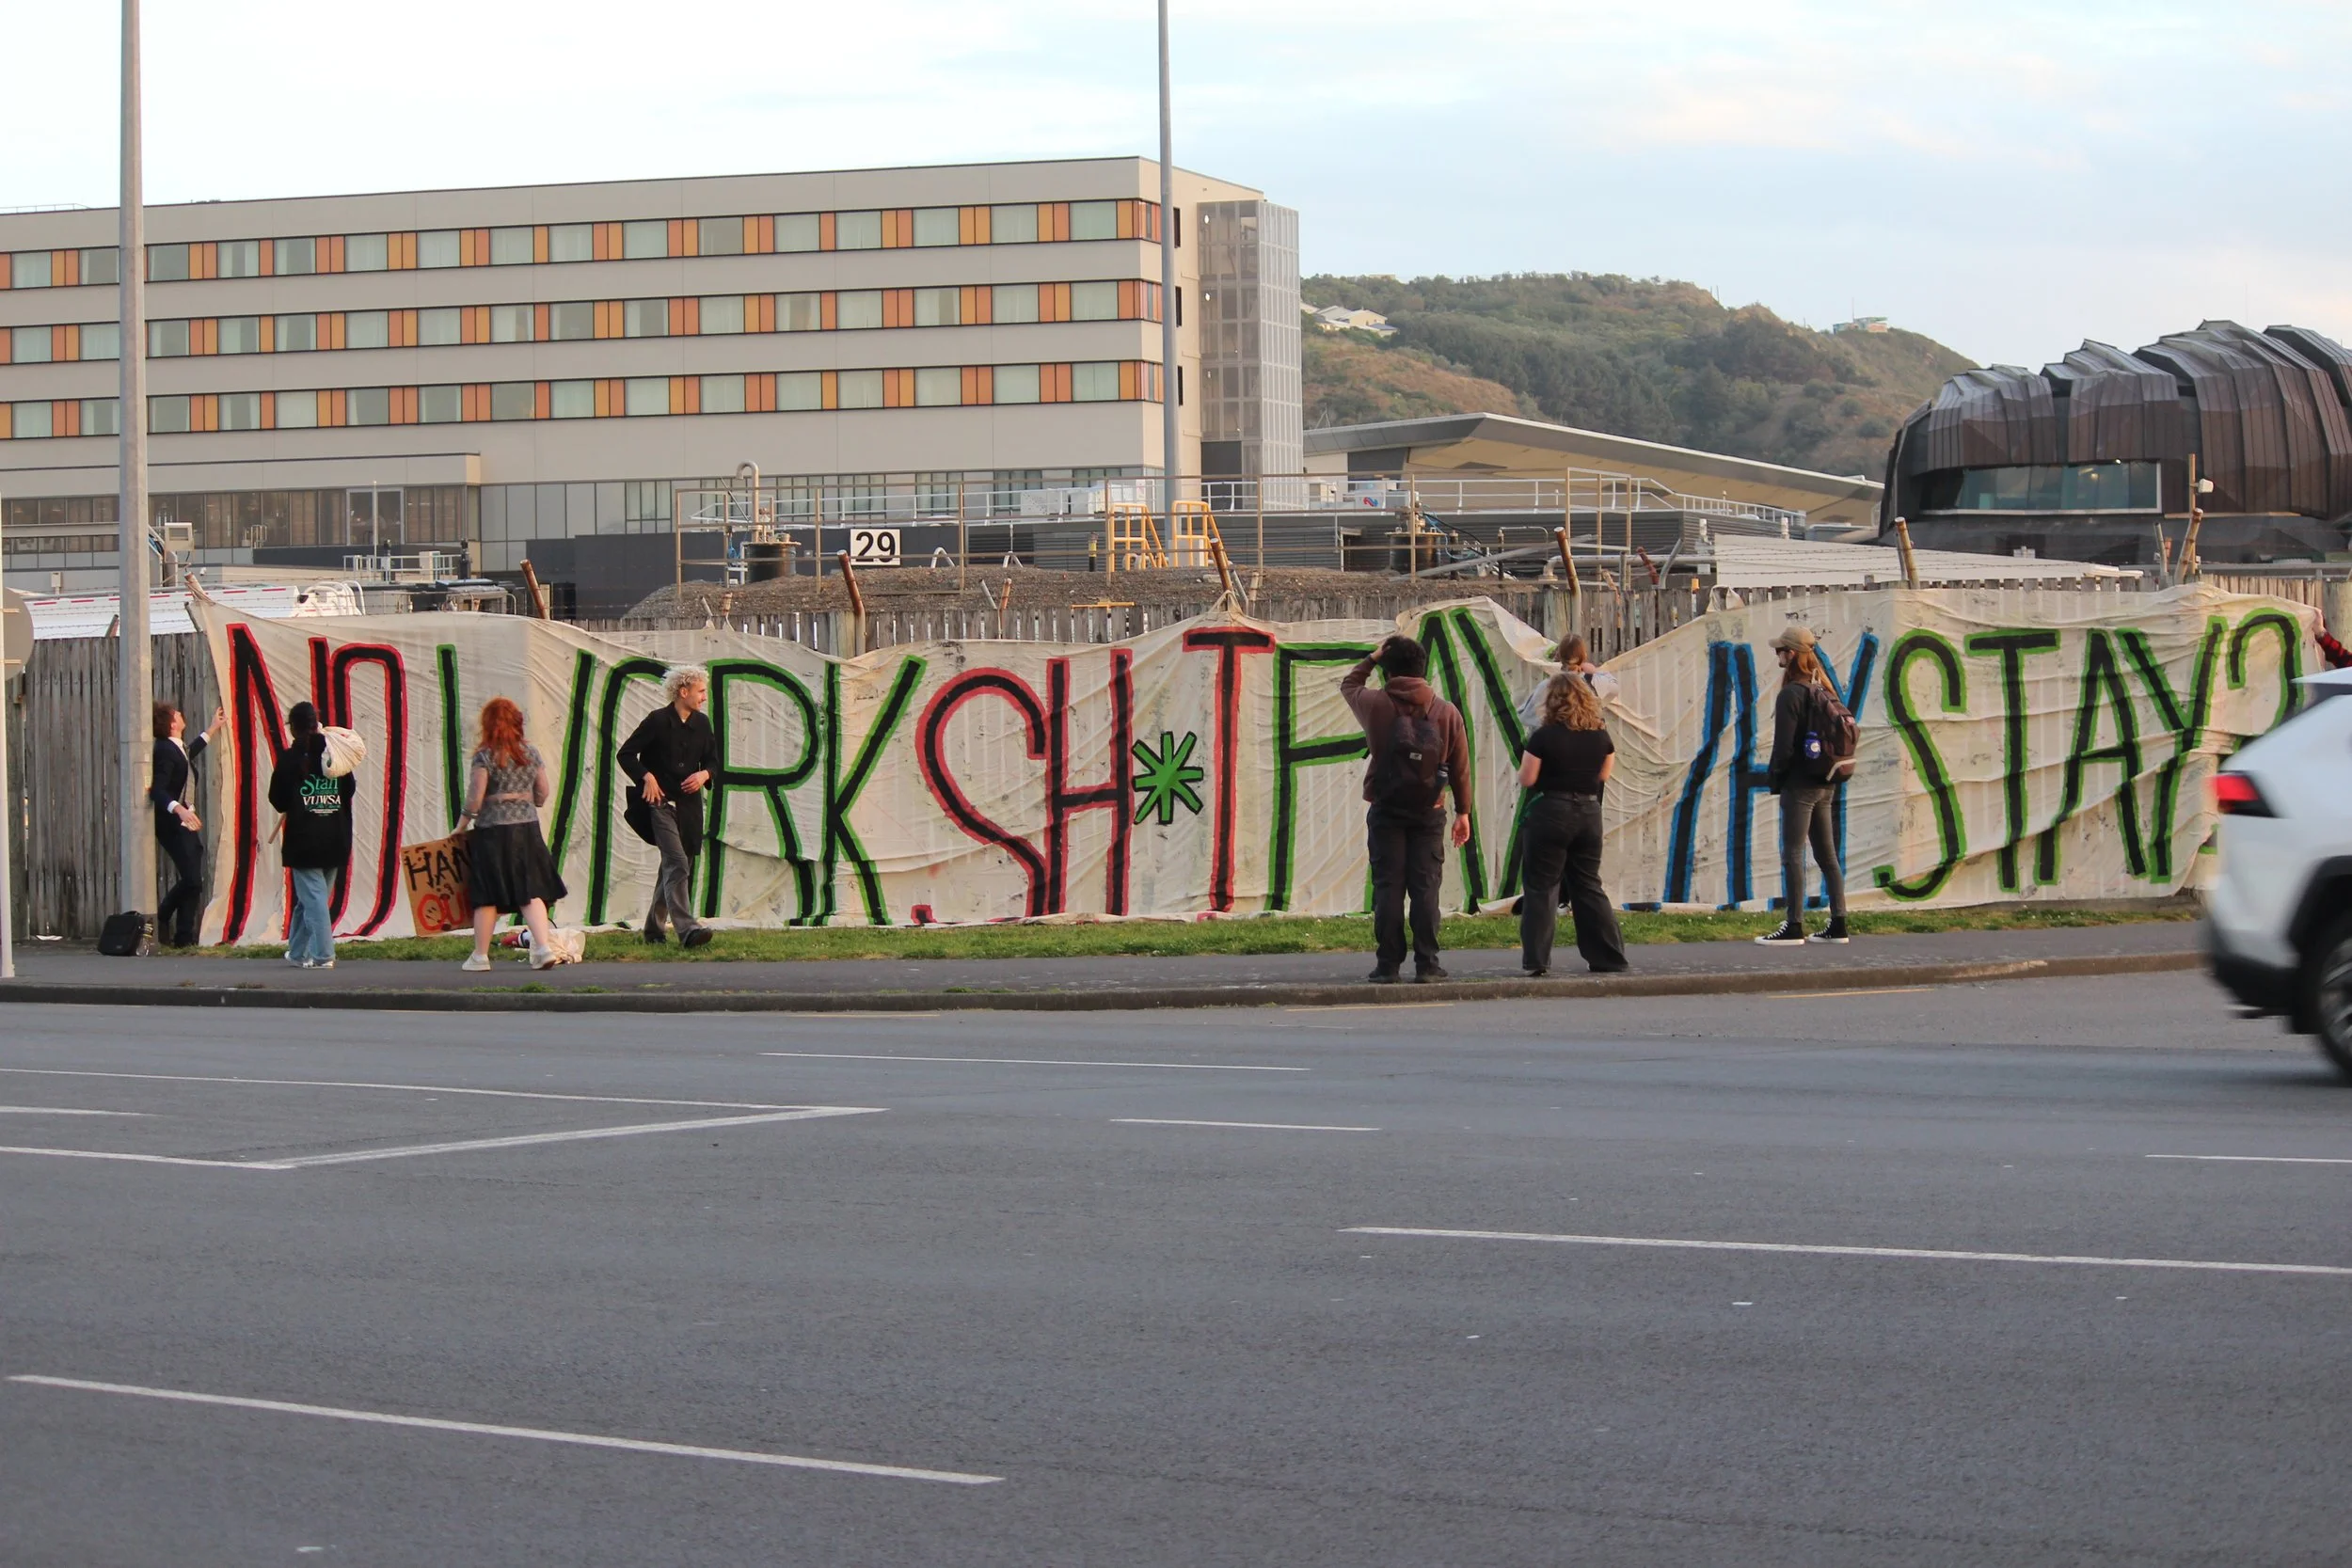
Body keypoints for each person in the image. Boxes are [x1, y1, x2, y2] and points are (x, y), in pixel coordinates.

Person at [1342, 635, 1472, 983]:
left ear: (1388, 670)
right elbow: (1460, 766)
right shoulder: (1446, 712)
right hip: (1429, 812)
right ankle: (1427, 964)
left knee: (1388, 887)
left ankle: (1388, 965)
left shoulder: (1375, 705)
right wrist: (1464, 812)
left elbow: (1349, 683)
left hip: (1386, 810)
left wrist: (1371, 658)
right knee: (1426, 887)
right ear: (1422, 668)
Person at [1516, 673, 1628, 975]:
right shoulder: (1601, 736)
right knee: (1589, 885)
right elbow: (1603, 775)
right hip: (1589, 813)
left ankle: (1537, 960)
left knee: (1541, 886)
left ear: (1553, 700)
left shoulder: (1543, 736)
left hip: (1551, 812)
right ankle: (1609, 957)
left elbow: (1527, 779)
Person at [457, 696, 574, 972]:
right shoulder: (531, 753)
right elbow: (543, 792)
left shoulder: (484, 755)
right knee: (529, 890)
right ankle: (543, 949)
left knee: (487, 894)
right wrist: (529, 802)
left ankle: (480, 957)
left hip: (493, 832)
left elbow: (475, 799)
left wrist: (461, 825)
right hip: (527, 830)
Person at [1757, 626, 1850, 946]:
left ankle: (1794, 925)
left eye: (1780, 650)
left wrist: (1776, 778)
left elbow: (1783, 747)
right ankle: (1838, 923)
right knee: (1827, 854)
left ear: (1792, 654)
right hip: (1826, 781)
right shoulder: (1823, 689)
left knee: (1792, 853)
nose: (1777, 655)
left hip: (1800, 784)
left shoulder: (1791, 694)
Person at [617, 665, 718, 948]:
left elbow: (713, 761)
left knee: (672, 867)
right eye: (700, 691)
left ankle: (653, 929)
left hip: (689, 807)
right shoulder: (657, 720)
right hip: (659, 804)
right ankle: (688, 930)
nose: (704, 697)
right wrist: (646, 776)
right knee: (677, 862)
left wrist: (705, 775)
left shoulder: (703, 724)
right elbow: (625, 754)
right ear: (683, 692)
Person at [266, 702, 352, 969]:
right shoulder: (335, 755)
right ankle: (298, 951)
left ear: (294, 728)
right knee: (312, 898)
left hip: (304, 840)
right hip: (336, 836)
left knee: (313, 899)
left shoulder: (290, 759)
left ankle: (324, 955)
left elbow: (277, 799)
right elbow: (348, 790)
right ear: (317, 724)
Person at [150, 700, 224, 947]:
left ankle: (184, 937)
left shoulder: (175, 747)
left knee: (194, 881)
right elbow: (157, 790)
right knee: (192, 880)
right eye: (177, 714)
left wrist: (212, 729)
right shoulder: (163, 750)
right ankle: (161, 915)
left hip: (185, 820)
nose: (181, 715)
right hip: (172, 822)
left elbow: (188, 753)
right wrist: (179, 810)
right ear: (172, 723)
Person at [1516, 634, 1621, 732]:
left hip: (1555, 747)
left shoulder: (1546, 686)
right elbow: (1615, 688)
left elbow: (1525, 716)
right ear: (1584, 656)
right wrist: (1595, 671)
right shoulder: (1595, 682)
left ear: (1560, 657)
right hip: (1587, 746)